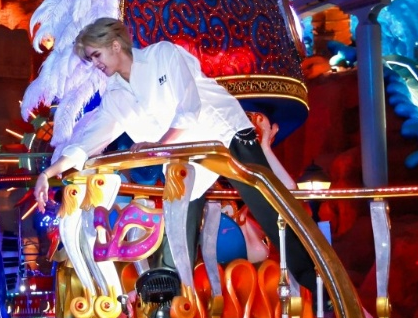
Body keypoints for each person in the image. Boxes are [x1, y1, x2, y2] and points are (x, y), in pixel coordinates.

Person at [32, 18, 318, 295]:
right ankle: (172, 302)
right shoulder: (115, 95)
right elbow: (88, 142)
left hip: (225, 135)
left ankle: (317, 283)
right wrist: (48, 172)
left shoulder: (162, 55)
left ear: (115, 45)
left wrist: (157, 146)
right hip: (184, 158)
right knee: (178, 228)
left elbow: (189, 107)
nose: (95, 63)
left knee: (268, 211)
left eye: (96, 55)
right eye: (90, 59)